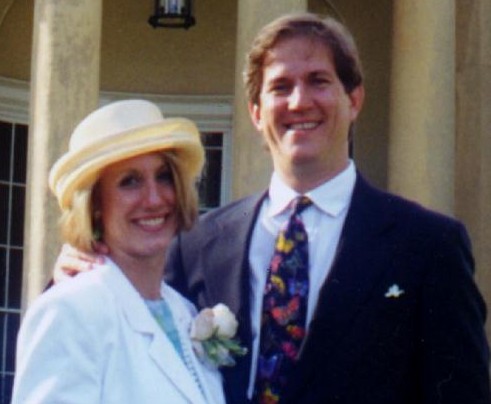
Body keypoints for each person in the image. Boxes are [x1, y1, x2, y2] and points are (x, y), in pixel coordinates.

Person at [54, 13, 491, 404]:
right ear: (256, 112)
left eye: (318, 81)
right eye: (281, 87)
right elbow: (118, 330)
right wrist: (72, 274)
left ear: (354, 99)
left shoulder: (427, 246)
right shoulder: (197, 245)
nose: (299, 102)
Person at [12, 100, 226, 404]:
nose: (154, 199)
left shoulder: (186, 313)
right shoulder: (70, 313)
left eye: (164, 176)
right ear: (95, 205)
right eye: (130, 182)